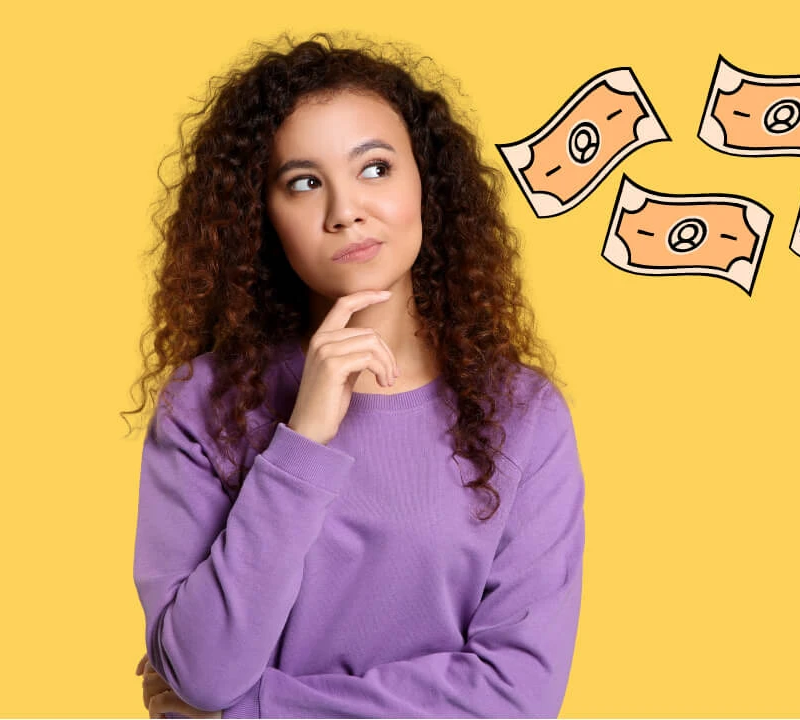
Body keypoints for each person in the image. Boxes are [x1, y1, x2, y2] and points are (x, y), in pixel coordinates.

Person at [125, 31, 586, 719]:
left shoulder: (523, 416)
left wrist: (251, 713)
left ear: (425, 179)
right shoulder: (203, 405)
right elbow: (203, 670)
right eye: (304, 183)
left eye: (375, 168)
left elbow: (516, 699)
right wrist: (303, 439)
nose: (345, 211)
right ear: (263, 215)